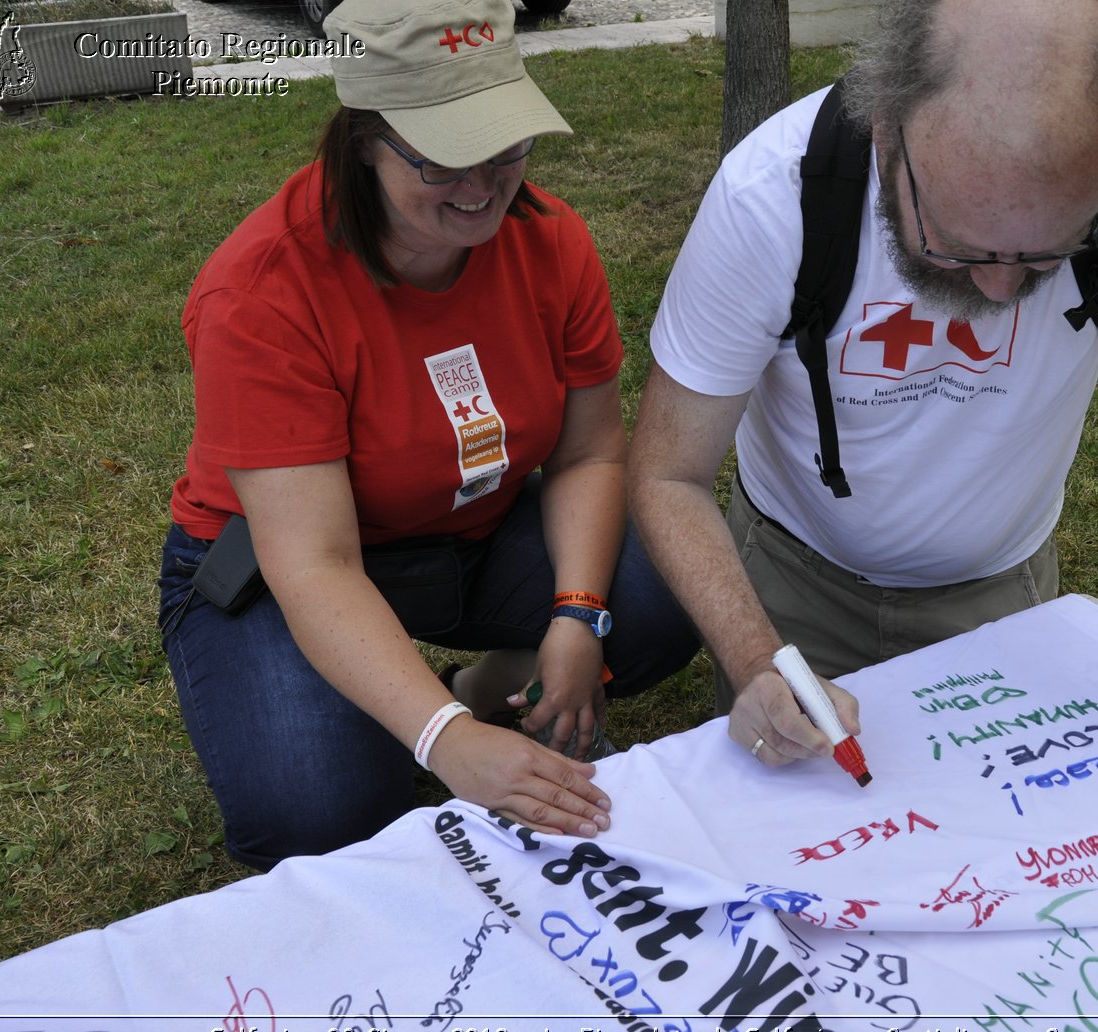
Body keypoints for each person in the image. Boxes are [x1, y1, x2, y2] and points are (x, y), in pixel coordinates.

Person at [628, 0, 1098, 887]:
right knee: (810, 875)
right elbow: (668, 470)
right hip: (793, 581)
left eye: (1047, 256)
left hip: (1004, 591)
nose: (1001, 290)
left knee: (1005, 868)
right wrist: (757, 659)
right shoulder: (770, 195)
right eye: (959, 248)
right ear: (888, 131)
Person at [158, 0, 697, 870]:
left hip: (470, 526)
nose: (483, 184)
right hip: (282, 563)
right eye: (444, 157)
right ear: (366, 139)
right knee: (324, 813)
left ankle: (482, 688)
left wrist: (578, 613)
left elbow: (592, 452)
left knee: (663, 593)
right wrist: (443, 742)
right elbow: (316, 563)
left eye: (508, 144)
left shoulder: (553, 241)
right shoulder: (263, 293)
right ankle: (426, 713)